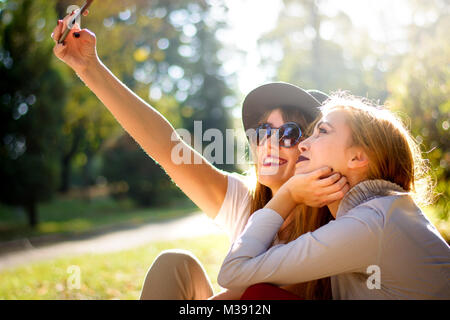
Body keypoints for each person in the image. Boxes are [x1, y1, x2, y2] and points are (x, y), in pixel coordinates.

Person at [51, 14, 348, 300]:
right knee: (174, 263)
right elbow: (168, 149)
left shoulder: (337, 219)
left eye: (289, 133)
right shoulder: (245, 201)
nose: (269, 142)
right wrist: (90, 67)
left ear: (313, 148)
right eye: (262, 131)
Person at [218, 93, 450, 299]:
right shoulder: (381, 212)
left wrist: (288, 194)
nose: (303, 145)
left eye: (322, 132)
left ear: (357, 158)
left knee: (260, 296)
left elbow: (234, 271)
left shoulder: (370, 223)